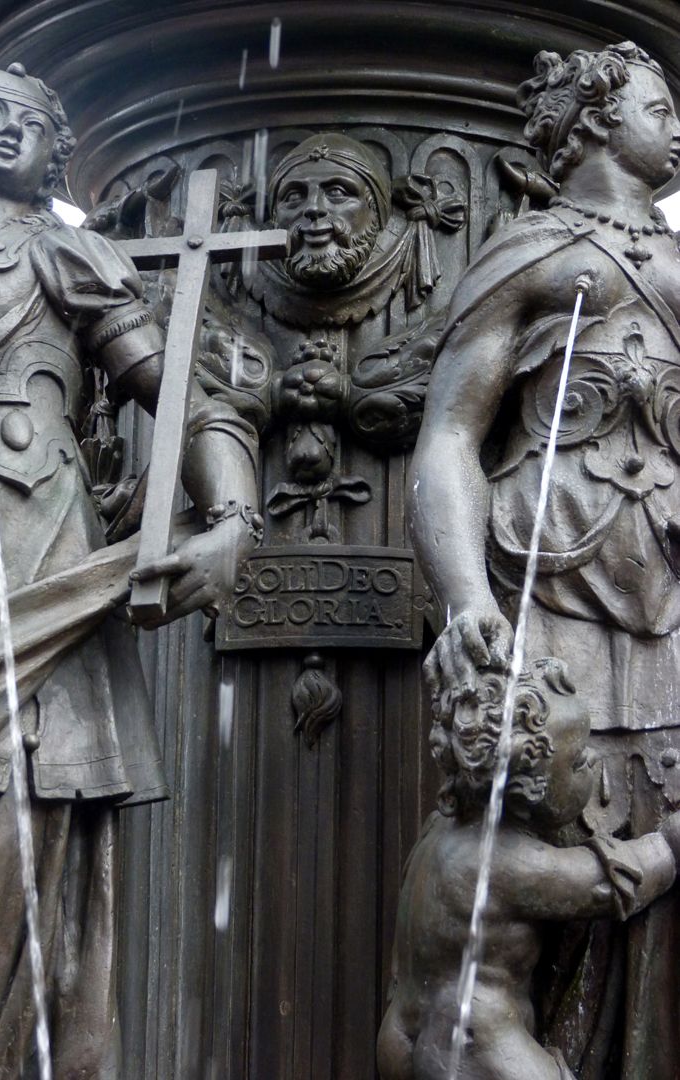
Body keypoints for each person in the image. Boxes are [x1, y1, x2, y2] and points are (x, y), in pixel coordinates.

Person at [0, 63, 262, 1078]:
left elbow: (192, 397)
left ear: (55, 158)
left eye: (32, 123)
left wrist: (230, 515)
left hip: (27, 560)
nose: (9, 133)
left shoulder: (60, 253)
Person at [409, 40, 680, 1076]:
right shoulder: (530, 251)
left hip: (668, 586)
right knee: (550, 840)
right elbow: (447, 436)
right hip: (549, 580)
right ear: (600, 116)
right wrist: (467, 597)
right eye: (660, 104)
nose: (679, 124)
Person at [376, 659, 680, 1080]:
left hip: (399, 1034)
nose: (592, 760)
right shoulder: (504, 861)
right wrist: (668, 846)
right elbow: (601, 886)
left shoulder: (438, 830)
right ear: (526, 788)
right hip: (475, 1044)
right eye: (577, 761)